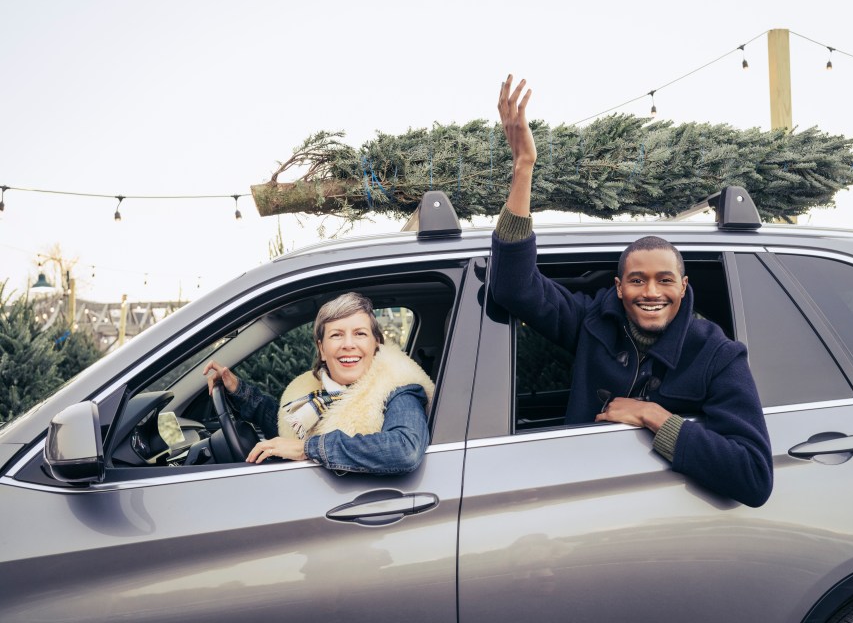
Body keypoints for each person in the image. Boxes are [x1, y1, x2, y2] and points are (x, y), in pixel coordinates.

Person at [490, 75, 773, 507]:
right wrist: (524, 167)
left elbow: (753, 478)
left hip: (663, 522)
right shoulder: (591, 323)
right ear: (619, 288)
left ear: (683, 286)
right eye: (637, 280)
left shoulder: (716, 354)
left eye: (664, 280)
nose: (651, 292)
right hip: (579, 499)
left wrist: (654, 416)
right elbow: (514, 287)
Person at [203, 292, 434, 474]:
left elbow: (405, 449)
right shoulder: (315, 393)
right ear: (322, 349)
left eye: (360, 334)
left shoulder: (399, 388)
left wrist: (308, 449)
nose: (348, 344)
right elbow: (288, 429)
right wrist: (238, 390)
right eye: (336, 335)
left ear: (376, 344)